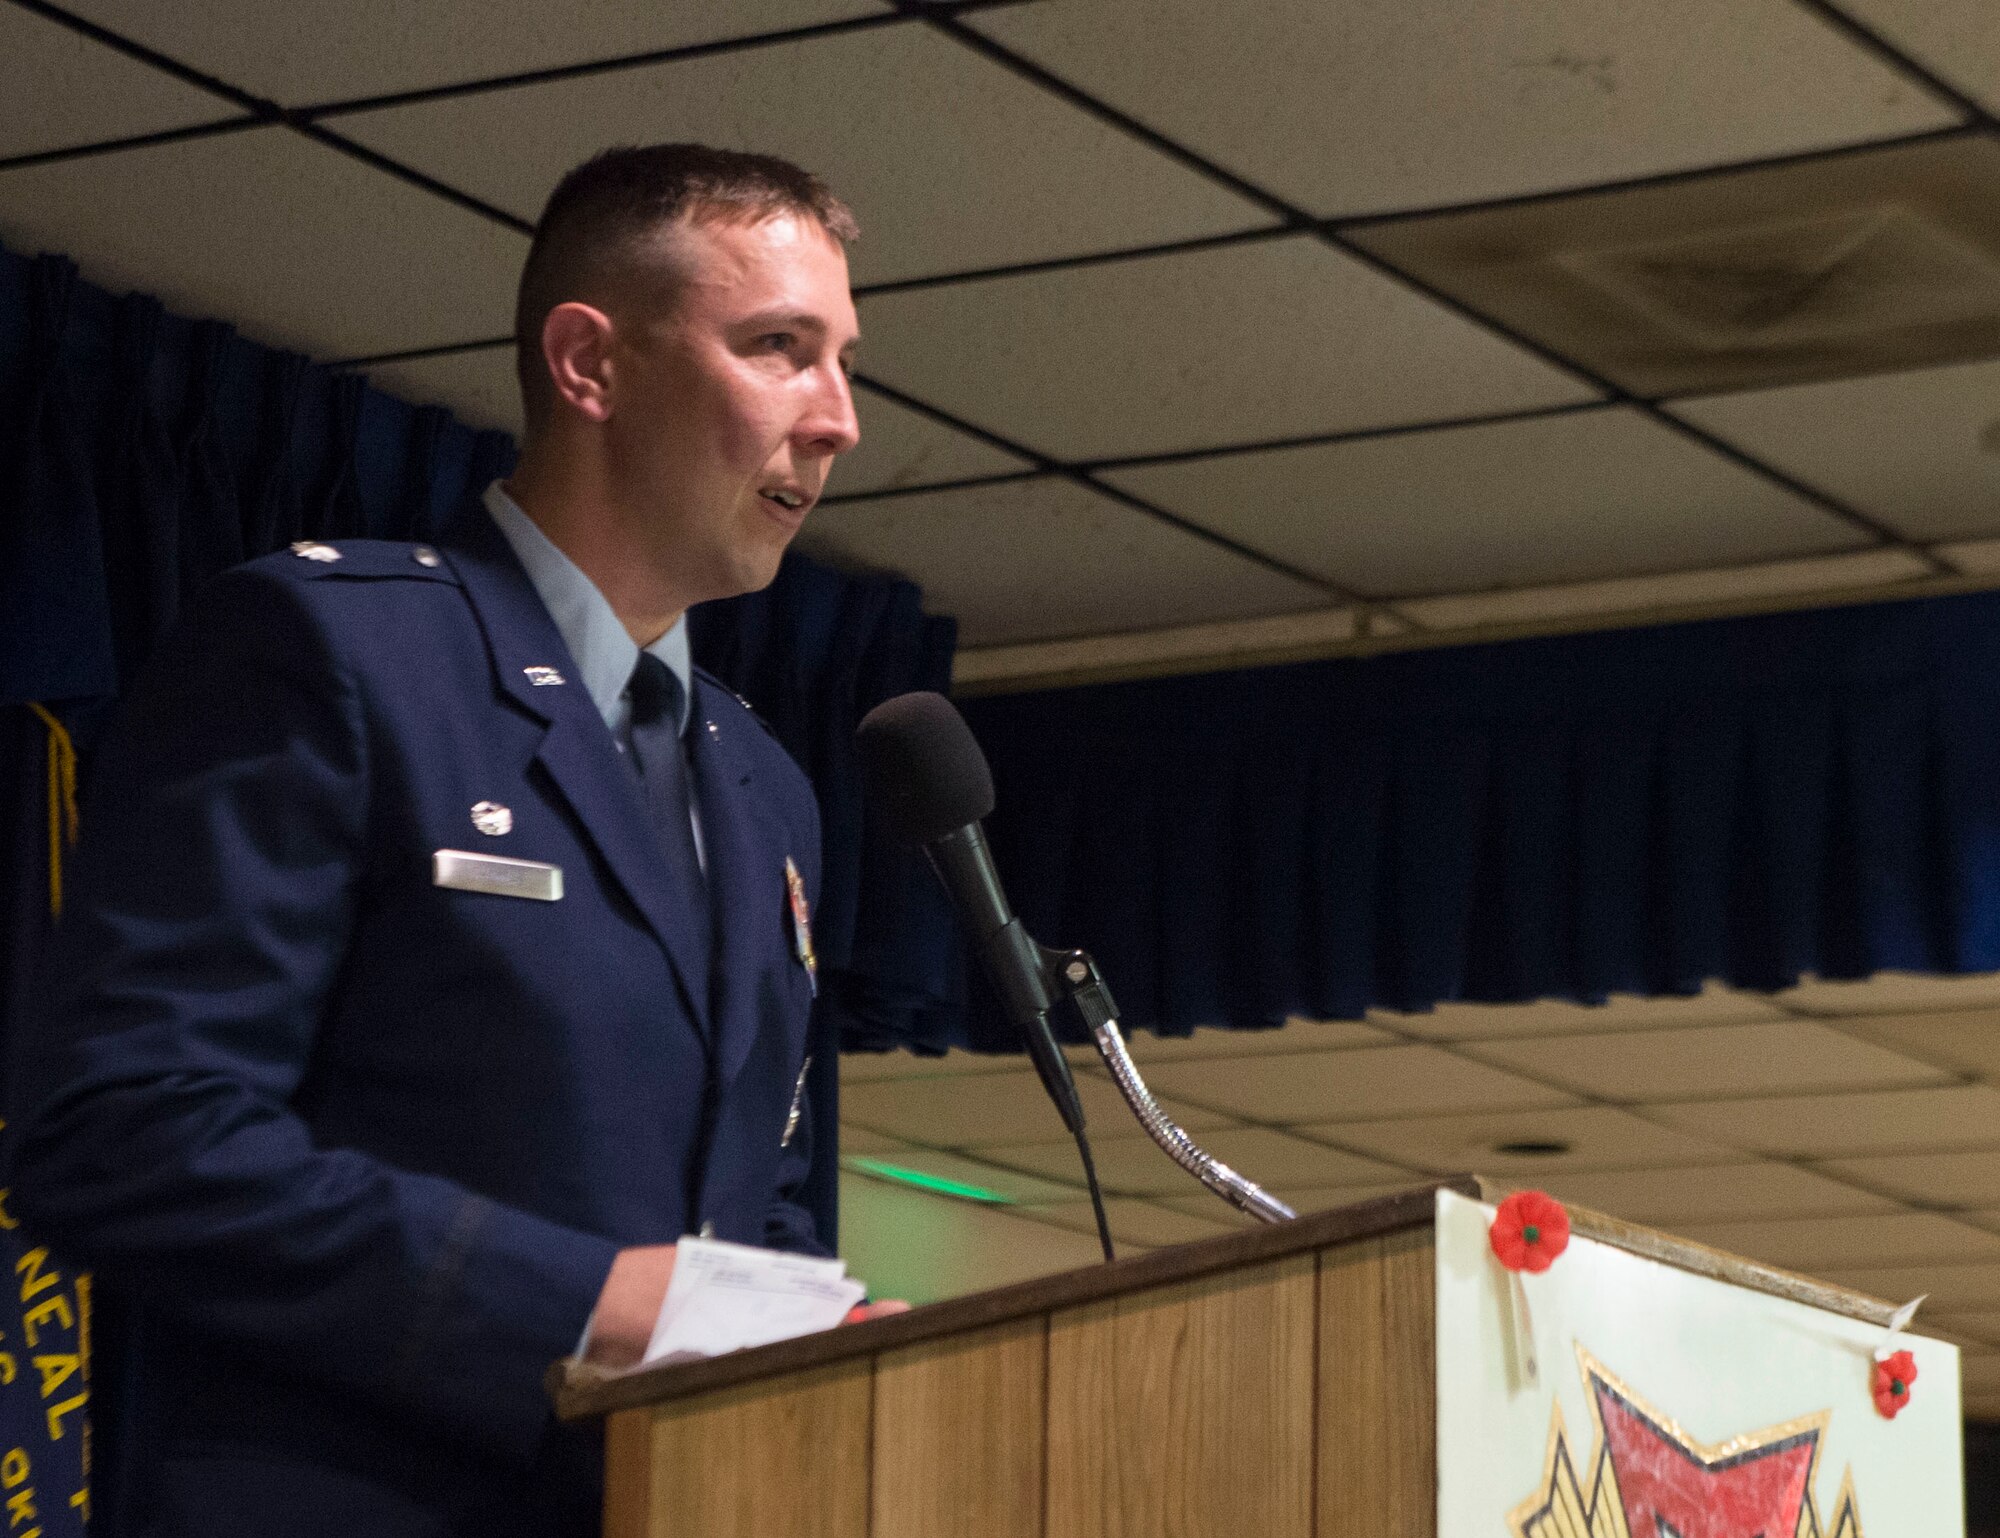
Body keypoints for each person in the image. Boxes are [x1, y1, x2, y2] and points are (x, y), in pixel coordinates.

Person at [6, 143, 895, 1537]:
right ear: (590, 366)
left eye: (845, 361)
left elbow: (747, 1197)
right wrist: (586, 1303)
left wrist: (833, 1332)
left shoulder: (763, 781)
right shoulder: (335, 653)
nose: (837, 418)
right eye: (781, 349)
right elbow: (123, 1132)